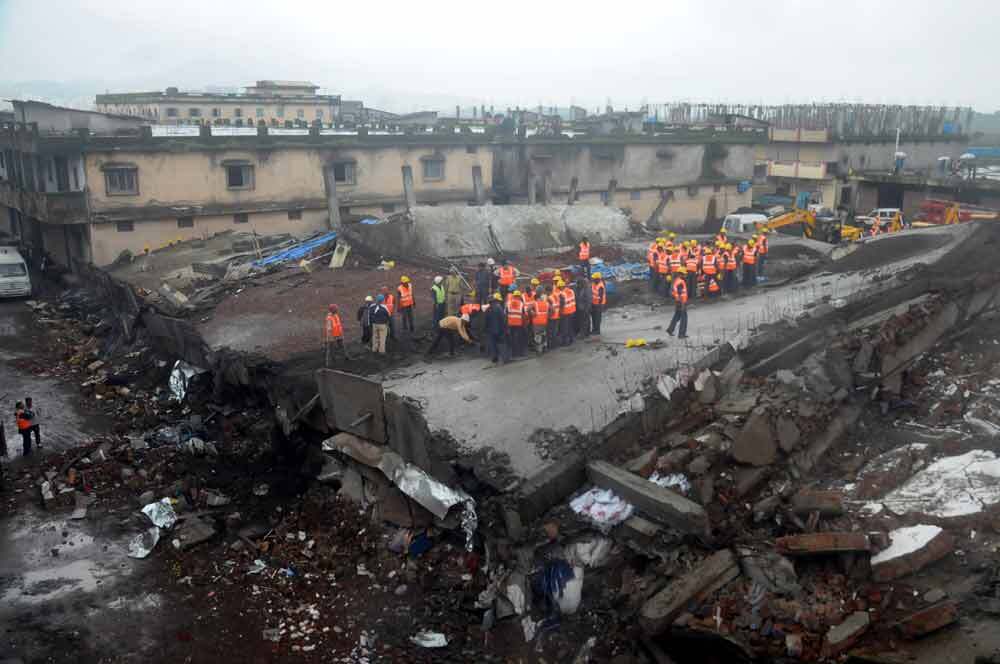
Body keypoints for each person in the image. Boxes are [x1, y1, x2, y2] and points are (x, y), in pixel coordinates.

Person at [484, 292, 509, 364]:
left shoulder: (487, 310)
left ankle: (494, 358)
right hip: (500, 329)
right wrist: (505, 328)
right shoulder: (499, 308)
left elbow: (486, 321)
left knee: (493, 344)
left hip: (491, 331)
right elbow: (503, 318)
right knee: (502, 343)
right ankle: (504, 357)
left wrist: (485, 329)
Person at [667, 267, 689, 339]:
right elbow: (680, 294)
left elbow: (673, 293)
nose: (685, 275)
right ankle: (681, 334)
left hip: (678, 301)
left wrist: (677, 300)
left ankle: (670, 329)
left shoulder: (676, 281)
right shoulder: (681, 282)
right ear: (680, 274)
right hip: (681, 302)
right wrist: (682, 303)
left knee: (677, 315)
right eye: (684, 274)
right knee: (684, 318)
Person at [529, 286, 550, 354]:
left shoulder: (534, 303)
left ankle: (539, 350)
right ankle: (545, 348)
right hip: (544, 322)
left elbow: (528, 309)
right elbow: (553, 309)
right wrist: (548, 315)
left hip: (537, 322)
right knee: (543, 335)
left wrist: (532, 313)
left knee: (538, 336)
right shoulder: (546, 303)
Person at [507, 290, 527, 357]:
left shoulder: (508, 303)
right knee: (518, 339)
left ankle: (512, 353)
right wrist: (524, 324)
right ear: (519, 296)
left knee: (511, 339)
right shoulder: (521, 304)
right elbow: (524, 315)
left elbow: (505, 314)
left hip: (510, 324)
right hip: (518, 324)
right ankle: (519, 353)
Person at [558, 279, 576, 346]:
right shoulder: (571, 291)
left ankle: (565, 342)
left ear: (560, 286)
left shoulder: (561, 294)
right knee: (570, 326)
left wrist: (560, 312)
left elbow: (562, 304)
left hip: (565, 313)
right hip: (572, 311)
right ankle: (571, 339)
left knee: (564, 328)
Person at [547, 283, 562, 349]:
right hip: (557, 316)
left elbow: (551, 309)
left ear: (548, 291)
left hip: (552, 317)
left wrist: (548, 316)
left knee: (551, 332)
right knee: (555, 331)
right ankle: (555, 344)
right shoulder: (556, 295)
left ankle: (551, 345)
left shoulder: (549, 298)